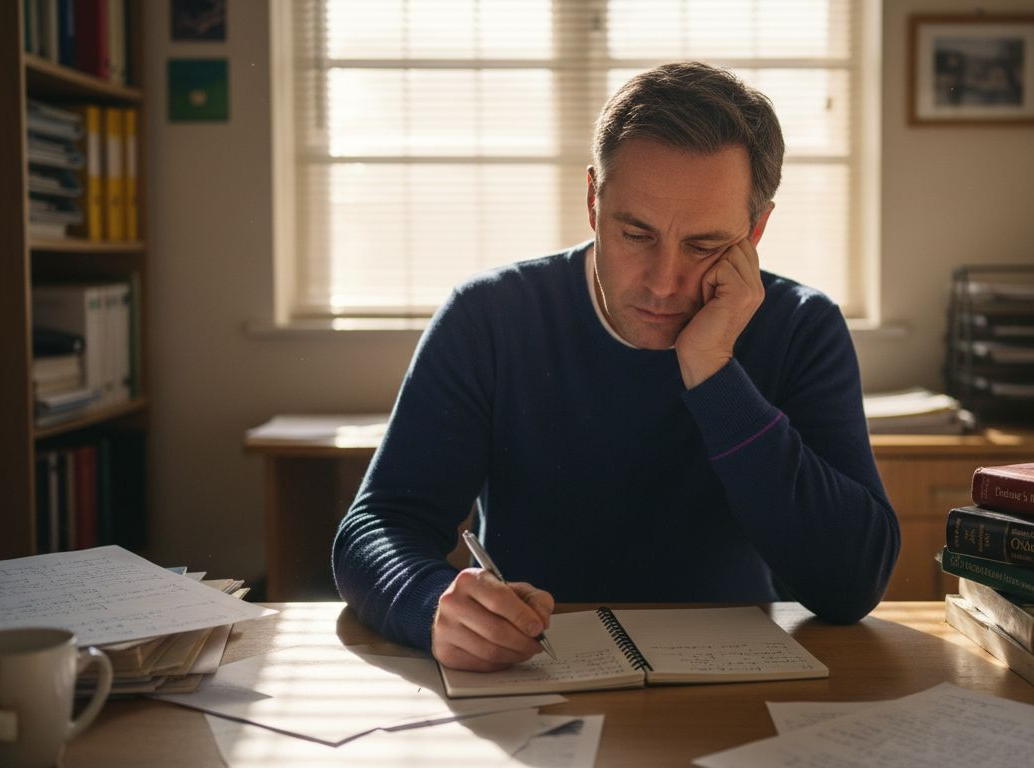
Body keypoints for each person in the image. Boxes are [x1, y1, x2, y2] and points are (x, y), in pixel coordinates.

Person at [332, 61, 900, 672]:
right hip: (530, 678)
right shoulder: (490, 318)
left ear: (755, 231)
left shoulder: (801, 327)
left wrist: (713, 372)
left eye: (704, 246)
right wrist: (431, 607)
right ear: (592, 201)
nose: (663, 283)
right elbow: (377, 527)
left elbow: (851, 585)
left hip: (736, 687)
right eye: (636, 234)